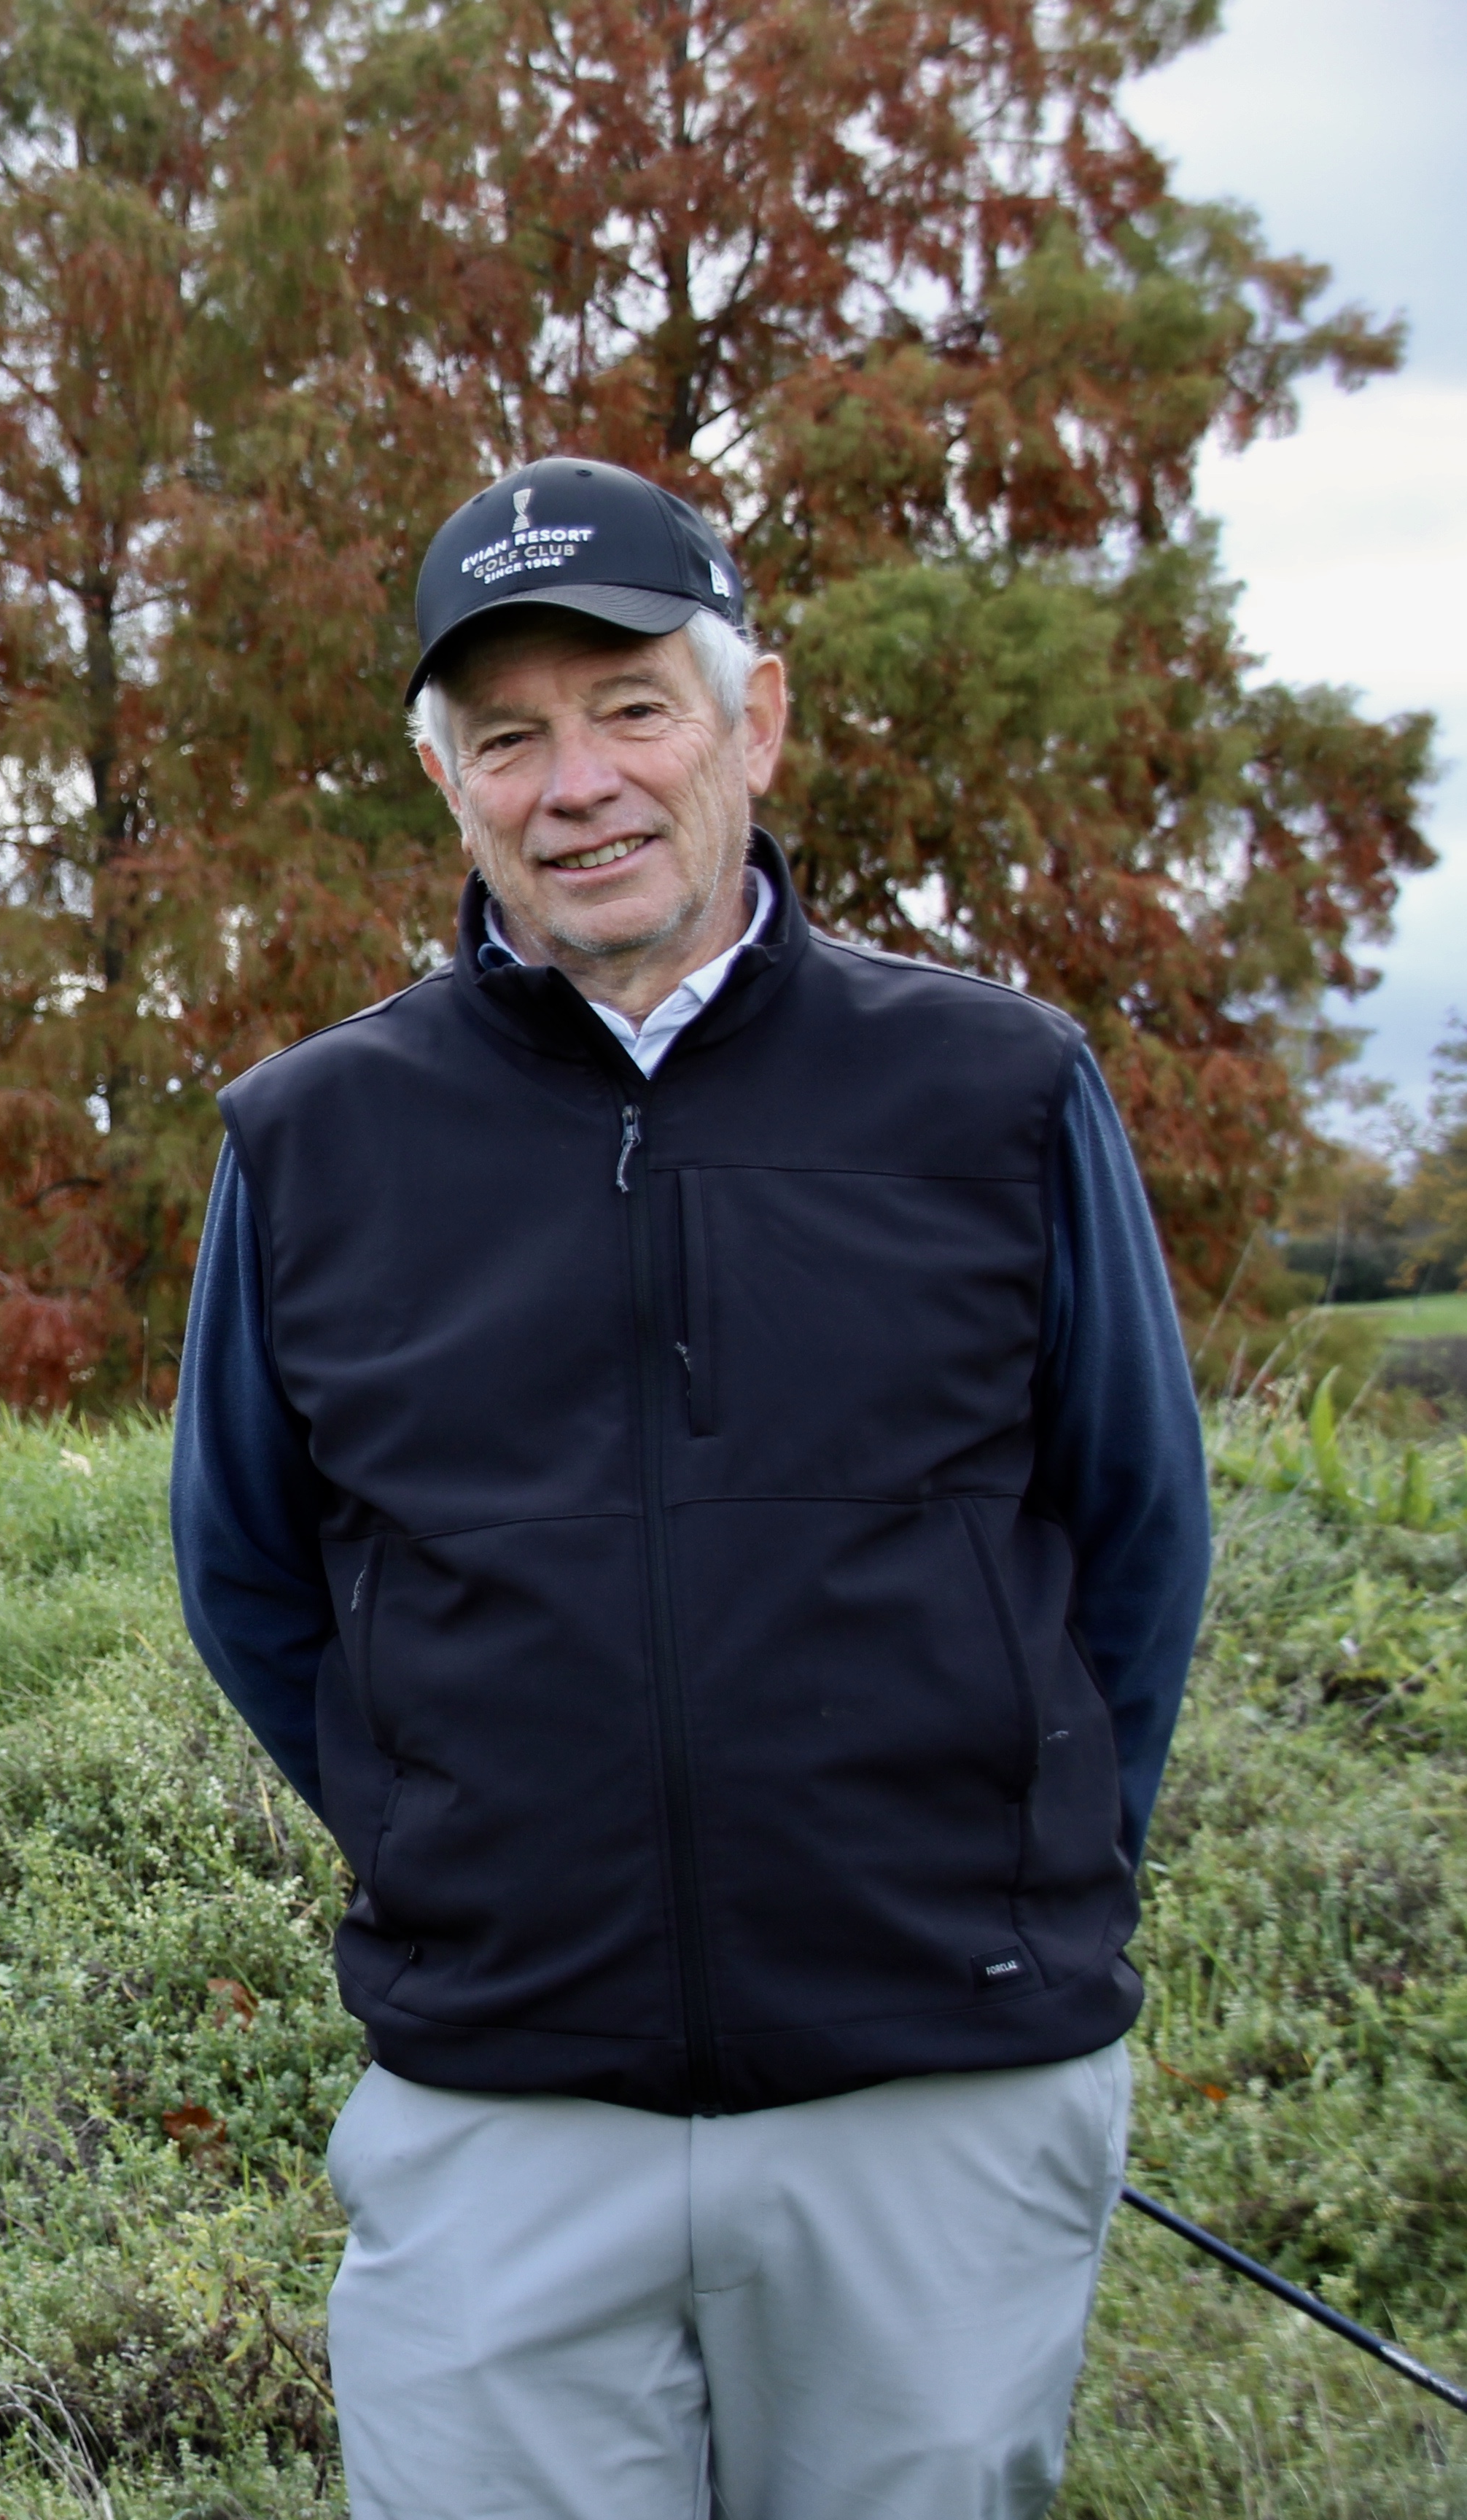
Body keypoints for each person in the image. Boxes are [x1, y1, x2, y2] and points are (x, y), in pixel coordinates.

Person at [170, 456, 1211, 2519]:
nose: (578, 784)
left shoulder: (999, 1088)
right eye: (508, 736)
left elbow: (1135, 1536)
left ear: (758, 722)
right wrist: (465, 1845)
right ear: (449, 784)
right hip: (505, 2107)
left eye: (632, 706)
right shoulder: (311, 1136)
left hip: (934, 2092)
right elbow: (252, 1574)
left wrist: (999, 1882)